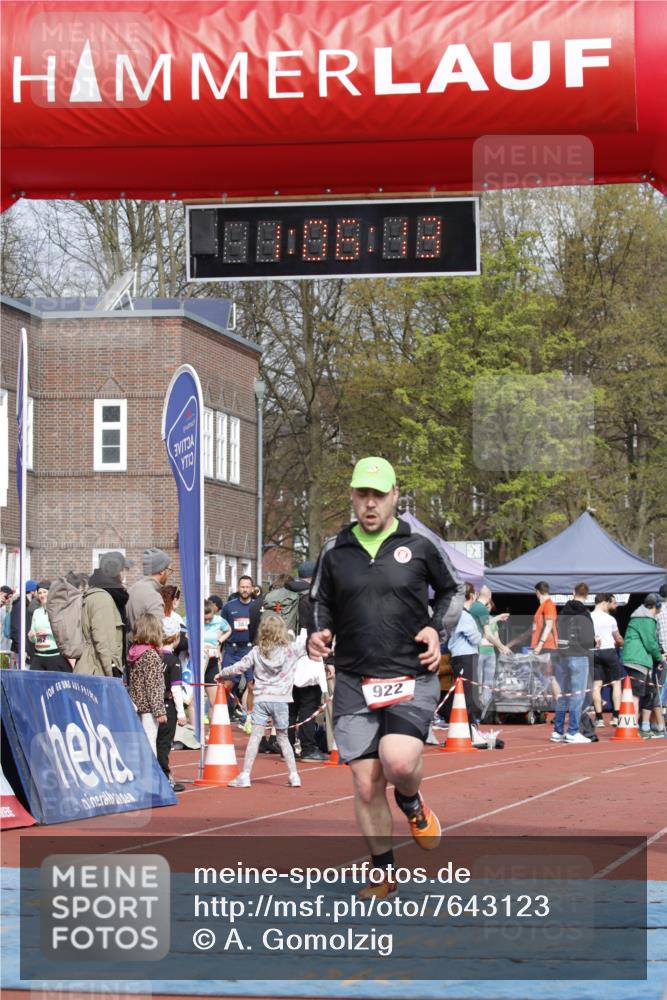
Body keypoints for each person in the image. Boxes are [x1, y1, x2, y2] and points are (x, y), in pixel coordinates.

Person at [308, 456, 464, 898]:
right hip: (355, 680)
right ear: (353, 497)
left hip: (410, 674)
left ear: (396, 495)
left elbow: (453, 590)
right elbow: (319, 601)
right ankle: (383, 873)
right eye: (362, 495)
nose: (370, 504)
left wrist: (438, 628)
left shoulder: (418, 543)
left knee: (397, 762)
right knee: (365, 782)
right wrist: (318, 633)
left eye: (379, 494)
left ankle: (411, 801)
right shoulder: (335, 549)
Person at [216, 615, 304, 788]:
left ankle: (245, 775)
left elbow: (239, 667)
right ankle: (294, 775)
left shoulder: (256, 651)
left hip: (262, 698)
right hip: (281, 699)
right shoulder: (292, 649)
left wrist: (222, 673)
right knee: (283, 737)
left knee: (255, 737)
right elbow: (312, 648)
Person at [287, 560, 329, 761]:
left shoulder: (280, 595)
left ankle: (285, 745)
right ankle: (308, 748)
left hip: (283, 656)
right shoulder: (313, 598)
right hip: (307, 655)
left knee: (290, 704)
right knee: (308, 704)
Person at [551, 582, 595, 744]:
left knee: (564, 694)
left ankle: (557, 730)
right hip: (579, 656)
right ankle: (573, 731)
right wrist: (594, 642)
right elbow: (587, 639)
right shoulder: (584, 614)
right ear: (587, 596)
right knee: (577, 695)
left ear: (572, 592)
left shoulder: (562, 613)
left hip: (563, 656)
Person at [76, 551, 131, 677]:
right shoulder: (102, 598)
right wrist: (111, 672)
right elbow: (102, 640)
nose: (124, 574)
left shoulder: (106, 595)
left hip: (99, 669)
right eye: (123, 569)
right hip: (98, 671)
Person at [622, 593, 666, 739]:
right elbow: (650, 643)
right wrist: (660, 658)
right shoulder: (646, 619)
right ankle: (633, 726)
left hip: (640, 659)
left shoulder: (643, 616)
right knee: (636, 694)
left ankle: (643, 726)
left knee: (649, 692)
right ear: (657, 605)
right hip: (637, 660)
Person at [127, 613, 167, 756]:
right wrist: (159, 710)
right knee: (150, 744)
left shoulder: (134, 652)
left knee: (140, 744)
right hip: (149, 708)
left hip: (137, 704)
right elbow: (153, 684)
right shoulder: (151, 655)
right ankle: (151, 774)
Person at [468, 585, 511, 718]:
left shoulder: (475, 608)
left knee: (485, 681)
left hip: (486, 651)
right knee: (480, 681)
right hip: (480, 650)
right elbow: (488, 634)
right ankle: (480, 708)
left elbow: (486, 626)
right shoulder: (480, 609)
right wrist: (502, 647)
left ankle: (483, 708)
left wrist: (497, 618)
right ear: (489, 597)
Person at [449, 582, 483, 741]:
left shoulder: (457, 613)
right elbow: (475, 637)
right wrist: (479, 635)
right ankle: (470, 729)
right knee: (467, 694)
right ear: (472, 595)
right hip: (465, 656)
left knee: (464, 693)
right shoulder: (464, 615)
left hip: (460, 656)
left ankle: (469, 728)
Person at [222, 575, 257, 717]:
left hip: (249, 649)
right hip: (232, 649)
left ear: (252, 588)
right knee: (227, 685)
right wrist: (219, 650)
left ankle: (250, 717)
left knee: (251, 685)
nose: (245, 589)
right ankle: (223, 714)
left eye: (247, 587)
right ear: (238, 588)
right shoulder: (229, 607)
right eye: (242, 587)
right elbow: (222, 628)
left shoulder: (257, 606)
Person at [591, 593, 623, 727]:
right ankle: (615, 716)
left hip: (594, 652)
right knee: (616, 683)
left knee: (596, 686)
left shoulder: (588, 617)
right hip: (609, 651)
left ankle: (598, 718)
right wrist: (621, 644)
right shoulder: (610, 619)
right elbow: (618, 638)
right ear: (604, 603)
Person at [28, 580, 72, 672]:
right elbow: (33, 637)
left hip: (55, 657)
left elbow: (64, 632)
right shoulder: (36, 612)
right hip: (38, 657)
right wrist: (31, 636)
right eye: (39, 593)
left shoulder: (58, 610)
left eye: (44, 592)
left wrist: (47, 632)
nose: (42, 595)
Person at [127, 548, 171, 634]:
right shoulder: (153, 596)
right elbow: (160, 633)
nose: (169, 575)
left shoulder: (132, 589)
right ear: (162, 570)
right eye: (169, 570)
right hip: (148, 646)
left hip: (132, 646)